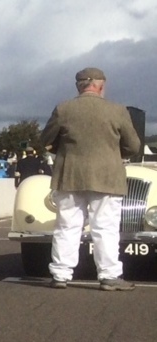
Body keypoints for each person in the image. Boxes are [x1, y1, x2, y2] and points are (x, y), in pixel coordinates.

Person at [40, 67, 142, 291]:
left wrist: (65, 152)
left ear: (78, 86)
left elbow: (46, 139)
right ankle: (109, 276)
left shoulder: (63, 108)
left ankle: (60, 274)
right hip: (107, 176)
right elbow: (133, 146)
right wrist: (114, 154)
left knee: (67, 226)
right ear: (101, 85)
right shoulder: (117, 109)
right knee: (105, 228)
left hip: (70, 174)